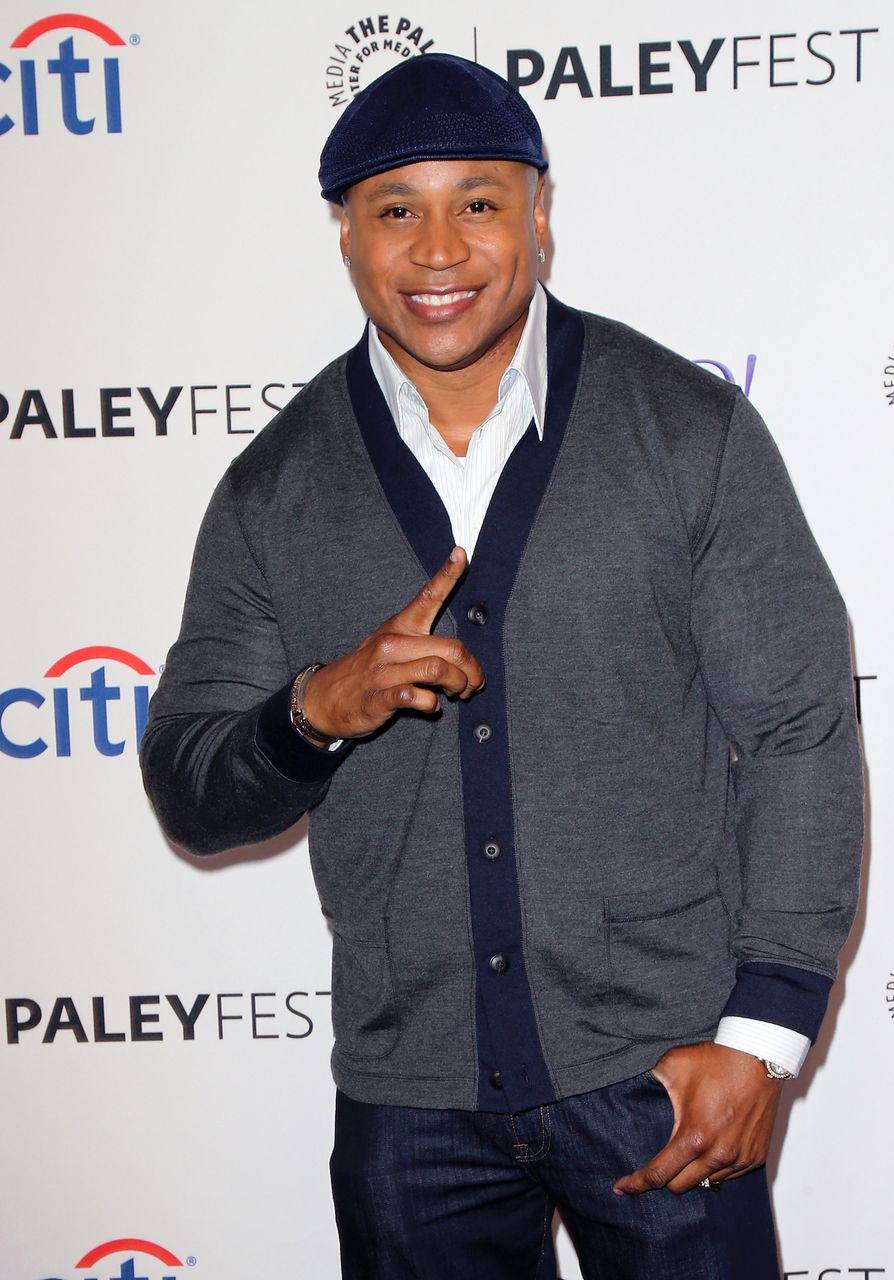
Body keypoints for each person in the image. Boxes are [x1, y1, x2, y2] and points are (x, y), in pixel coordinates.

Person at [140, 53, 864, 1280]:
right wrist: (315, 708)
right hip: (408, 1099)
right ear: (346, 236)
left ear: (538, 212)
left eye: (477, 202)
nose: (439, 249)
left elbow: (798, 728)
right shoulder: (274, 489)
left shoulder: (685, 432)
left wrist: (765, 1032)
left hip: (668, 1074)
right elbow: (190, 786)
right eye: (395, 209)